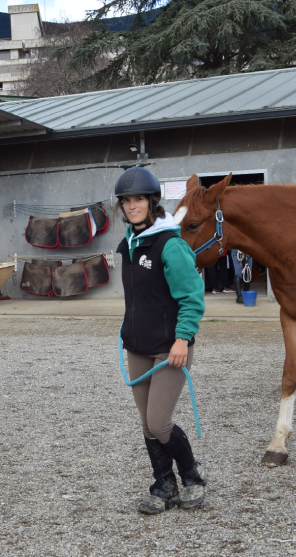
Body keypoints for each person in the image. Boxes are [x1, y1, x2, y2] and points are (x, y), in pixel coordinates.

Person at [114, 166, 207, 514]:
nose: (132, 205)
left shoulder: (170, 244)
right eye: (126, 200)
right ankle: (163, 485)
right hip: (137, 346)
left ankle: (192, 476)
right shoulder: (129, 242)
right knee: (147, 424)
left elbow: (192, 297)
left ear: (152, 201)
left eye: (138, 199)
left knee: (159, 422)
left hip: (170, 348)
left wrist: (183, 338)